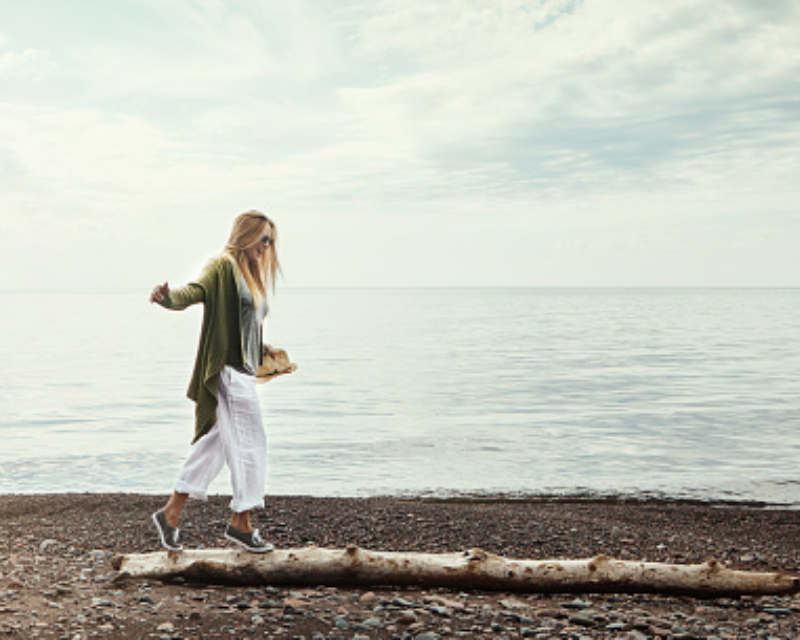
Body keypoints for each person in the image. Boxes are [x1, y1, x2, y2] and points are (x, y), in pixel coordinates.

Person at [149, 210, 282, 553]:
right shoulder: (222, 266)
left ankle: (171, 512)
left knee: (218, 443)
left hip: (245, 370)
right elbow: (193, 292)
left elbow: (245, 323)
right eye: (264, 239)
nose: (267, 247)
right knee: (251, 443)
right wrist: (167, 298)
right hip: (228, 371)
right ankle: (241, 522)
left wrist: (260, 347)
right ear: (247, 234)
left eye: (271, 241)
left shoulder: (250, 275)